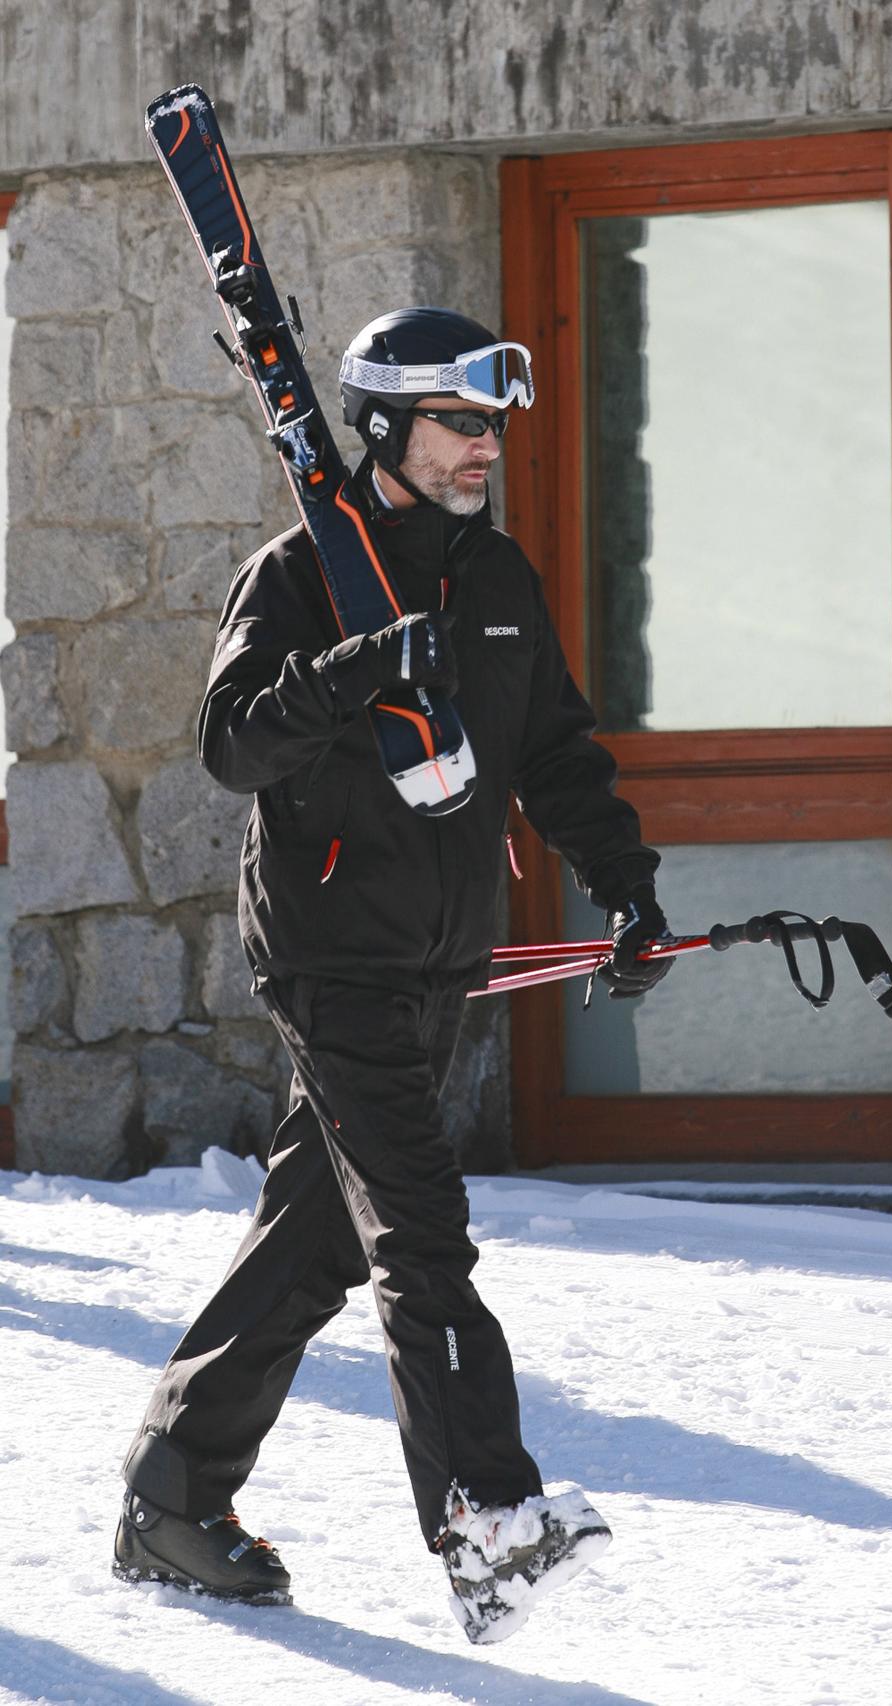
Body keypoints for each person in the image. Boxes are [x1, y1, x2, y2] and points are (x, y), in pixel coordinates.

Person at [113, 307, 672, 1645]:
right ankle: (487, 1517)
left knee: (315, 1247)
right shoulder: (301, 575)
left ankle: (171, 1492)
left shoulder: (494, 581)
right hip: (329, 956)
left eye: (493, 426)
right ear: (383, 427)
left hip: (440, 959)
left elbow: (556, 754)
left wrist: (629, 886)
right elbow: (233, 746)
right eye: (460, 424)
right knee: (421, 1235)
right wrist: (352, 670)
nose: (487, 447)